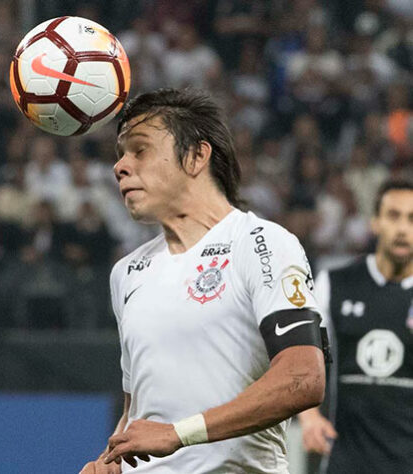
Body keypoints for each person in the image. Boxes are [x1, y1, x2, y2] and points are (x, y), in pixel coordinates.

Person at [80, 88, 329, 474]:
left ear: (197, 156)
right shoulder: (126, 272)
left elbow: (303, 377)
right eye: (120, 155)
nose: (120, 167)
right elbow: (138, 412)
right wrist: (108, 462)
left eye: (139, 150)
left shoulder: (261, 243)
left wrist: (180, 434)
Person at [298, 180, 413, 473]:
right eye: (393, 216)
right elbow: (301, 354)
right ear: (375, 223)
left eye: (412, 219)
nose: (402, 228)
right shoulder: (334, 284)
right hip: (343, 460)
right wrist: (309, 417)